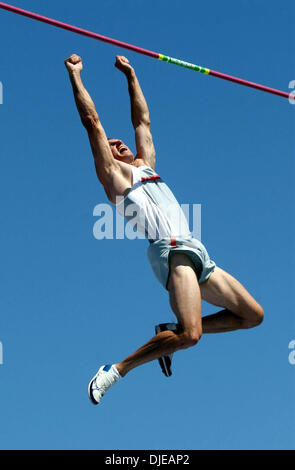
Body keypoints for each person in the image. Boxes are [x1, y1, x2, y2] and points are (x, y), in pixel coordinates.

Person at [64, 53, 264, 405]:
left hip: (196, 250)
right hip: (171, 250)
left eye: (119, 141)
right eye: (111, 146)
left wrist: (131, 75)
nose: (117, 143)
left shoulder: (146, 166)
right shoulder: (115, 178)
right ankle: (117, 369)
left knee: (252, 316)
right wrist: (76, 76)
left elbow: (143, 120)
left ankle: (167, 332)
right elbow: (92, 121)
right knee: (192, 335)